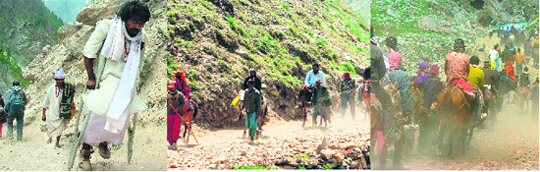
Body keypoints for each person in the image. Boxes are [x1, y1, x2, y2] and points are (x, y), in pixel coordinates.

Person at [79, 1, 150, 170]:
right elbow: (88, 53)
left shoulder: (141, 37)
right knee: (98, 113)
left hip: (126, 82)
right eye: (134, 21)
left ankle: (104, 142)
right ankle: (85, 153)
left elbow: (138, 62)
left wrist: (136, 83)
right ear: (125, 18)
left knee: (120, 115)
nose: (137, 26)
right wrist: (91, 77)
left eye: (141, 23)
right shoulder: (107, 27)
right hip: (106, 78)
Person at [371, 26, 400, 169]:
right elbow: (382, 70)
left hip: (361, 84)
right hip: (374, 86)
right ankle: (389, 134)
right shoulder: (376, 50)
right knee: (388, 105)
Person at [42, 67, 76, 147]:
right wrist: (43, 113)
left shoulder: (67, 89)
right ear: (56, 80)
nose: (60, 81)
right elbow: (46, 101)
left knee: (60, 128)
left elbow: (70, 99)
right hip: (52, 112)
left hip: (62, 112)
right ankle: (49, 138)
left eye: (61, 79)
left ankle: (57, 143)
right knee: (49, 127)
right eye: (58, 79)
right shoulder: (51, 89)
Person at [417, 64, 443, 152]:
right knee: (433, 128)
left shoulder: (424, 79)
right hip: (433, 107)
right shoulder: (438, 82)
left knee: (423, 128)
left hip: (423, 106)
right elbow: (435, 95)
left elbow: (422, 92)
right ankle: (429, 149)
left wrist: (423, 105)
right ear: (437, 72)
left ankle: (419, 148)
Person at [167, 81, 187, 150]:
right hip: (168, 114)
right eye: (170, 87)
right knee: (169, 129)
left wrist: (178, 109)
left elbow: (183, 104)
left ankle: (175, 142)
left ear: (175, 87)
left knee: (176, 129)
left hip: (177, 115)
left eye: (172, 87)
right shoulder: (166, 95)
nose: (171, 89)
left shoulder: (180, 95)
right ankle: (170, 143)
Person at [243, 78, 262, 143]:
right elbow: (245, 101)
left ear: (253, 84)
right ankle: (256, 131)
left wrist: (258, 113)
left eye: (252, 84)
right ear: (247, 84)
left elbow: (259, 104)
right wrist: (242, 107)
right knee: (248, 125)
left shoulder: (257, 93)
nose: (250, 85)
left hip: (254, 111)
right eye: (249, 84)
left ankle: (251, 137)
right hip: (248, 111)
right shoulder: (245, 92)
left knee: (252, 125)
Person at [467, 56, 486, 120]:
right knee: (479, 101)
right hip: (474, 91)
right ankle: (479, 116)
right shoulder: (480, 71)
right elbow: (481, 84)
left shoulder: (466, 70)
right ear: (477, 63)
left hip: (464, 89)